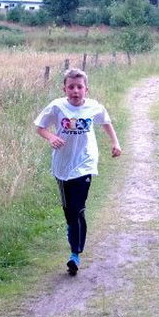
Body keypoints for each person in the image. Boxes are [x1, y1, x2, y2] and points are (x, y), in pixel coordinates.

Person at [34, 68, 121, 275]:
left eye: (79, 87)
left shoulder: (94, 107)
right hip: (62, 166)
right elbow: (40, 127)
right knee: (69, 211)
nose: (75, 91)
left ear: (86, 90)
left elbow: (106, 122)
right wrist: (51, 137)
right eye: (71, 87)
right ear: (64, 89)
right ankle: (72, 229)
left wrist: (115, 143)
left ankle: (75, 254)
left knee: (78, 208)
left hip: (85, 163)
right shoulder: (57, 106)